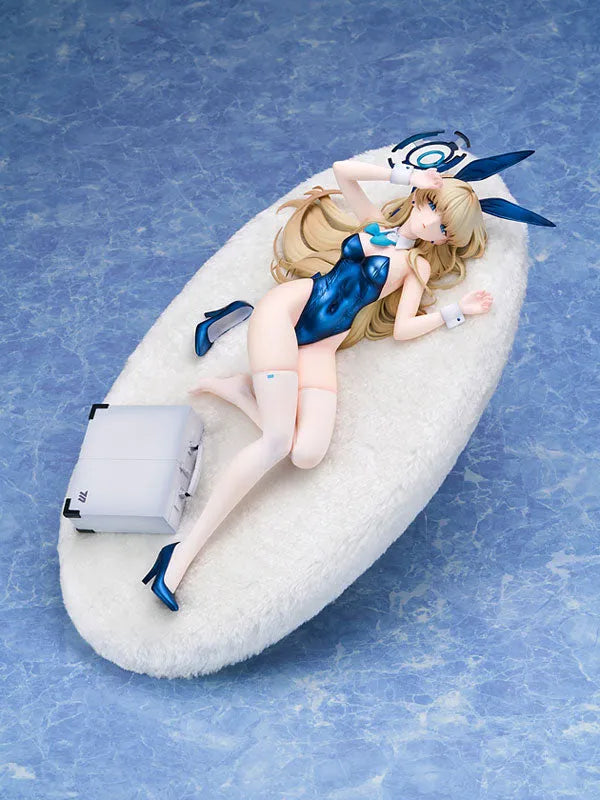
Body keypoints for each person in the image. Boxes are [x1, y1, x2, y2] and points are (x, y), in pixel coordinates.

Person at [141, 157, 496, 611]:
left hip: (320, 347)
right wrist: (408, 175)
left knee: (305, 453)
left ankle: (242, 389)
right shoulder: (374, 223)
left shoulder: (416, 267)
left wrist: (456, 311)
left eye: (445, 230)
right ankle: (178, 558)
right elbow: (342, 171)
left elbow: (403, 329)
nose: (434, 226)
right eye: (435, 210)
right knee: (274, 442)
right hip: (286, 313)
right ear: (421, 198)